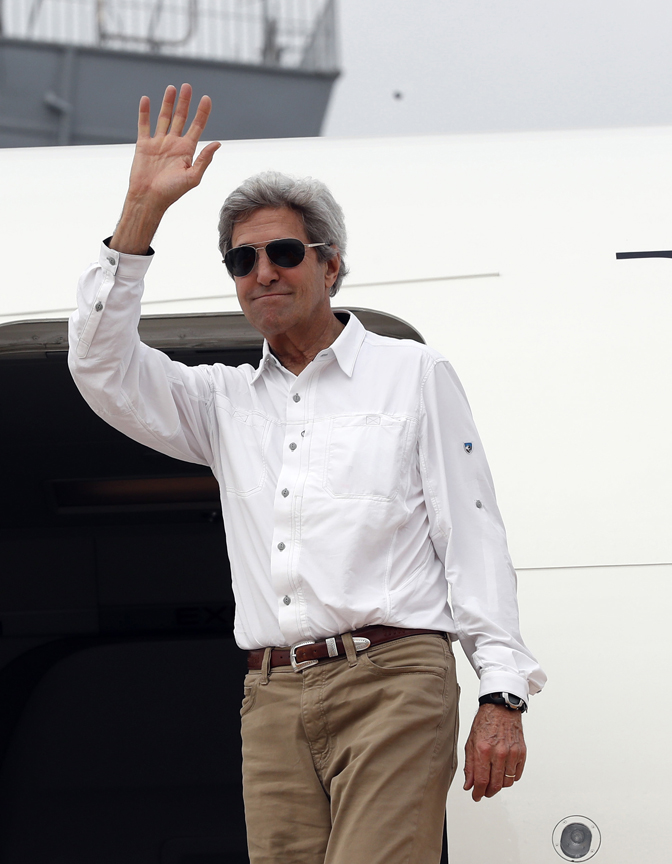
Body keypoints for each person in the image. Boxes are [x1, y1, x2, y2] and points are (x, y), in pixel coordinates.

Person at [66, 84, 545, 864]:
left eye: (284, 252)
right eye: (242, 260)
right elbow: (99, 365)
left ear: (331, 264)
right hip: (272, 696)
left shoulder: (413, 374)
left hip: (393, 677)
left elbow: (473, 536)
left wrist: (501, 690)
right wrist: (140, 215)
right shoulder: (219, 402)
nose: (263, 273)